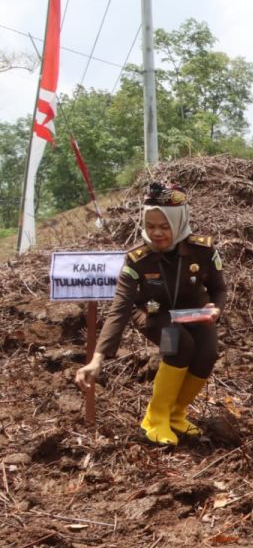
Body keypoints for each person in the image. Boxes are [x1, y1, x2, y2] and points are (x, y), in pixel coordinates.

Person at [74, 183, 225, 446]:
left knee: (208, 352)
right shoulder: (137, 260)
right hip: (153, 314)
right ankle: (155, 418)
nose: (156, 233)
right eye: (151, 225)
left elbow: (219, 288)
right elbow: (120, 308)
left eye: (164, 227)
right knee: (178, 345)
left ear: (178, 224)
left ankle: (176, 414)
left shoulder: (203, 251)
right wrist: (98, 357)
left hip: (195, 313)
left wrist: (216, 307)